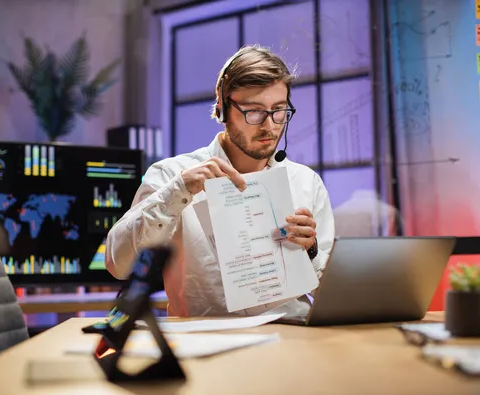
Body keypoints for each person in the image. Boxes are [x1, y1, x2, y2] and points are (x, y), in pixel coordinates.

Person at [106, 45, 335, 317]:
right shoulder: (171, 175)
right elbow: (118, 265)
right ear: (223, 107)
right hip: (205, 342)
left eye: (279, 110)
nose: (270, 125)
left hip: (292, 338)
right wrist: (177, 192)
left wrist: (311, 251)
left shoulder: (305, 182)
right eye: (254, 112)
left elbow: (332, 296)